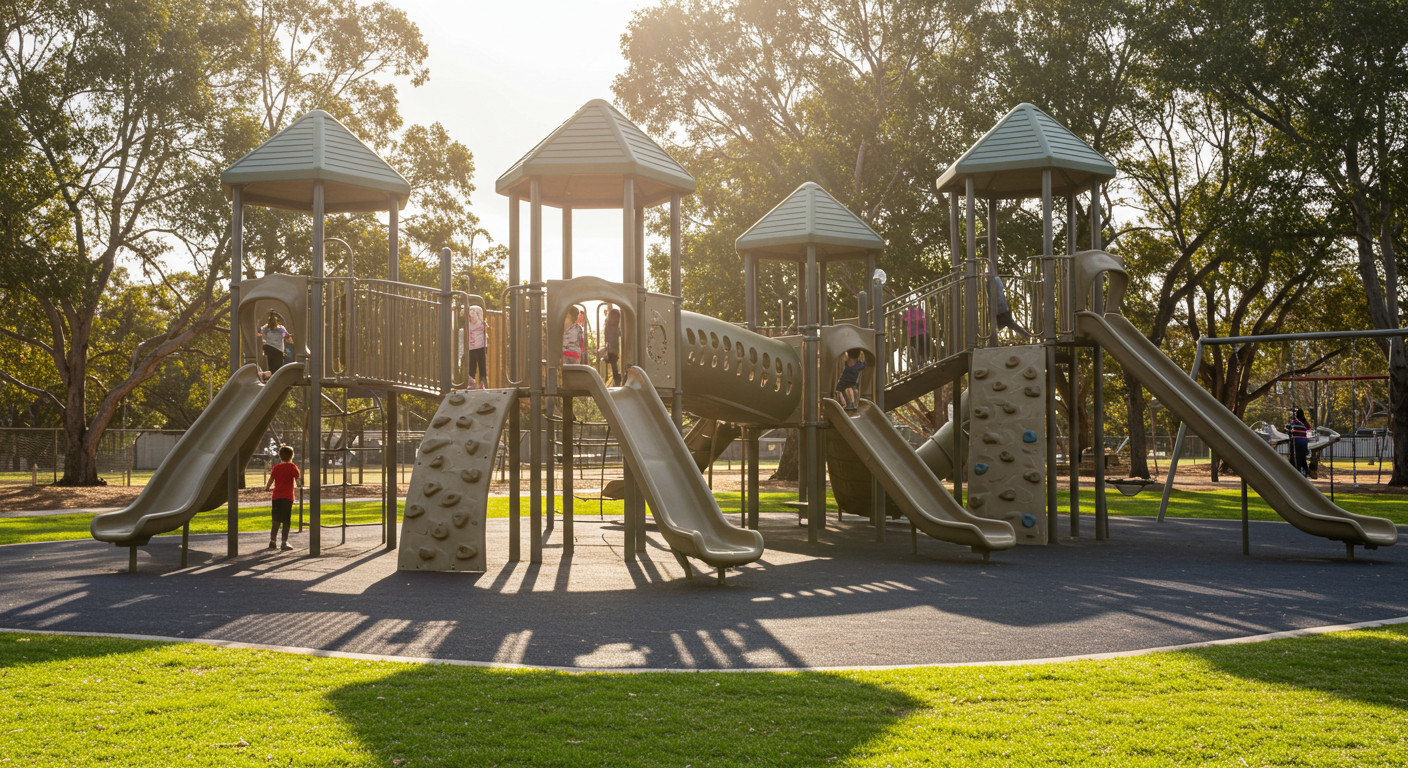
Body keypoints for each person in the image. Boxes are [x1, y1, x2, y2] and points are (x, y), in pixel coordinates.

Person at [263, 444, 300, 551]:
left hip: (276, 497)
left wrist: (267, 488)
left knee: (276, 520)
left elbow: (271, 480)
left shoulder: (276, 468)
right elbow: (298, 481)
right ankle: (284, 542)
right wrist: (301, 485)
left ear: (280, 456)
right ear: (292, 456)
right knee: (286, 520)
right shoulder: (293, 467)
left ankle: (272, 541)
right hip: (287, 497)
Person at [598, 305, 622, 386]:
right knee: (613, 364)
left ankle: (616, 378)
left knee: (613, 364)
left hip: (612, 349)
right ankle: (617, 379)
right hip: (611, 349)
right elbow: (613, 336)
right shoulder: (612, 327)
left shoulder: (609, 326)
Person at [465, 305, 487, 389]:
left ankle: (479, 383)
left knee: (479, 366)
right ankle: (474, 382)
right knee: (474, 366)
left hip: (478, 347)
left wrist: (470, 311)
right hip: (474, 347)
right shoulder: (480, 323)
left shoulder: (476, 323)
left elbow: (473, 316)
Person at [1287, 407, 1311, 477]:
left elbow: (1288, 427)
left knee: (1294, 457)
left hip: (1296, 441)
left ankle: (1294, 471)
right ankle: (1305, 472)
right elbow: (1309, 430)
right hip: (1304, 441)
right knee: (1302, 457)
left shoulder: (1294, 421)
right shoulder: (1305, 422)